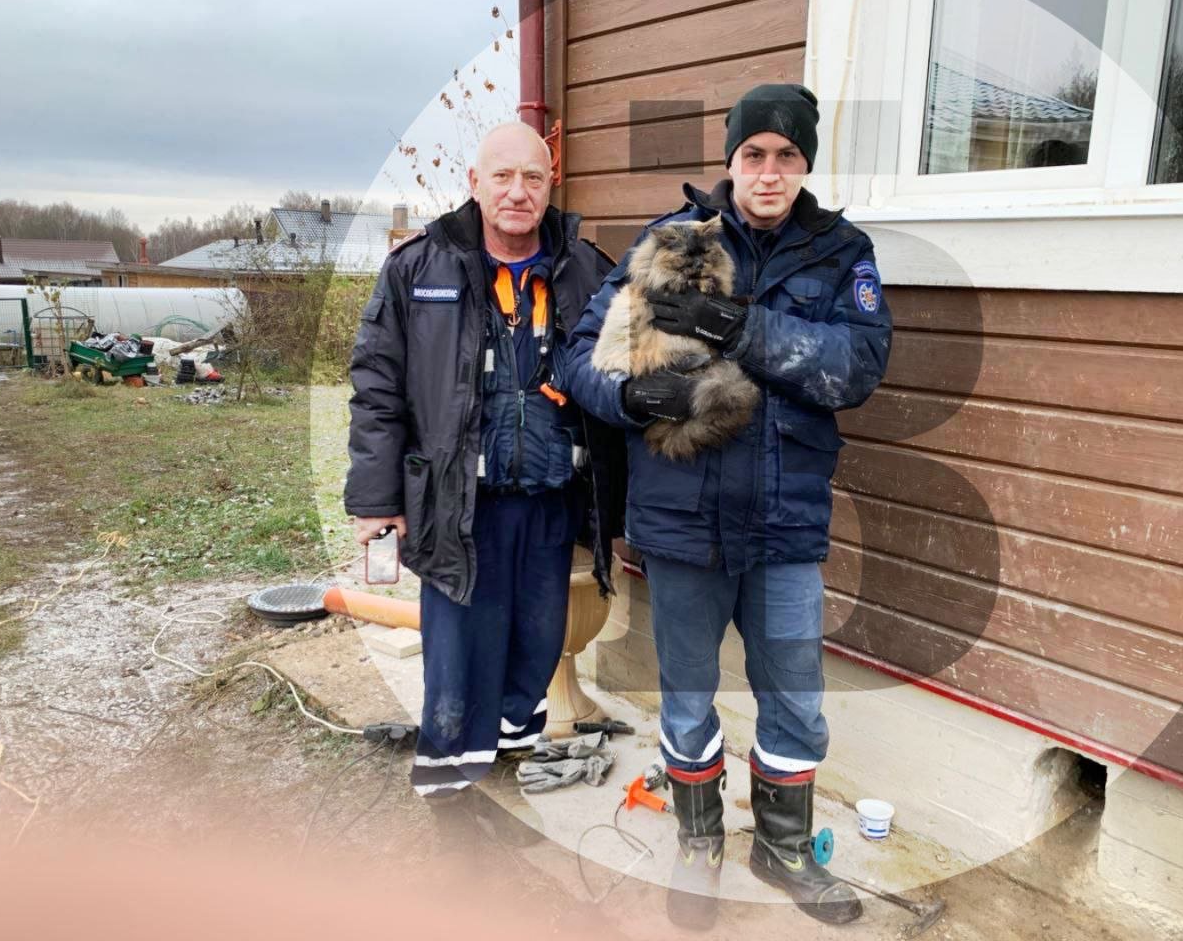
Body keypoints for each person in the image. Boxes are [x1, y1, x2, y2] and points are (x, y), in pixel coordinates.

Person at [566, 84, 893, 928]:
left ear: (806, 163)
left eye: (787, 156)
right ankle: (697, 848)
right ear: (730, 160)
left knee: (793, 699)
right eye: (755, 154)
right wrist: (632, 403)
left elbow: (854, 369)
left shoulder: (842, 253)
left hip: (784, 524)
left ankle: (782, 851)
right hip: (680, 523)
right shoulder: (667, 244)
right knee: (686, 695)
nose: (770, 171)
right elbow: (580, 360)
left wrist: (742, 328)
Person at [344, 122, 622, 836]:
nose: (517, 192)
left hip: (551, 504)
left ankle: (503, 768)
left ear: (551, 182)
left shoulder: (589, 270)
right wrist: (376, 500)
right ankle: (451, 800)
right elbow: (377, 387)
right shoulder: (418, 269)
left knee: (534, 645)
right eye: (502, 176)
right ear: (474, 183)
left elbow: (626, 384)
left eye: (532, 177)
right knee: (460, 655)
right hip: (456, 506)